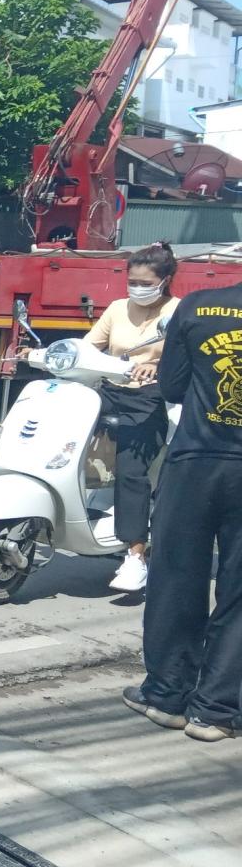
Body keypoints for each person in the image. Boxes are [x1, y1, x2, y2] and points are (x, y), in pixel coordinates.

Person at [121, 268, 242, 742]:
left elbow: (171, 387)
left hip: (195, 462)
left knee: (176, 577)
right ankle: (215, 711)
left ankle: (167, 696)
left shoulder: (196, 307)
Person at [86, 242, 181, 593]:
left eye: (145, 283)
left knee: (131, 469)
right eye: (132, 282)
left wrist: (156, 365)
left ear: (165, 280)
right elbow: (89, 347)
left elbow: (183, 358)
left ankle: (136, 556)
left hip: (151, 399)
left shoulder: (178, 311)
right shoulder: (116, 308)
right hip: (109, 391)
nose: (137, 288)